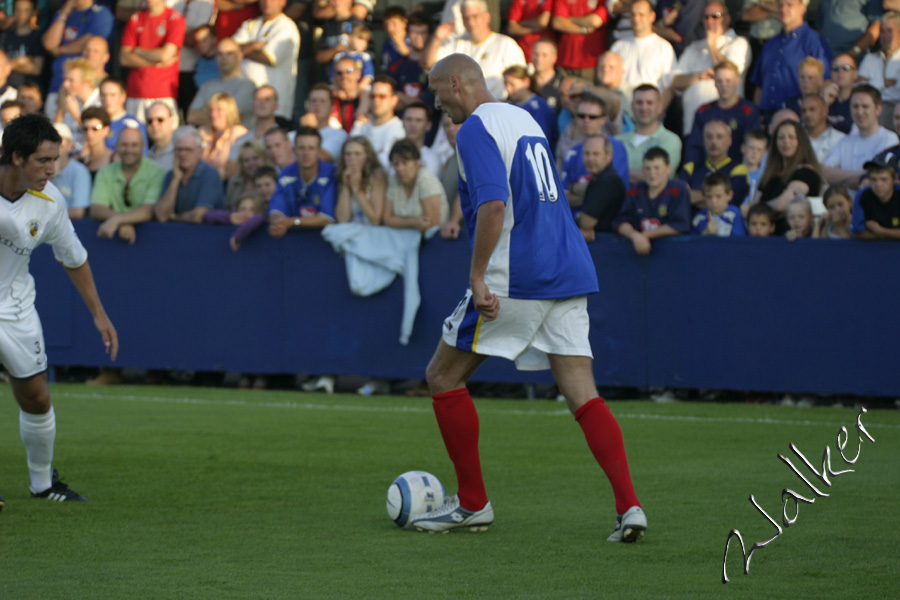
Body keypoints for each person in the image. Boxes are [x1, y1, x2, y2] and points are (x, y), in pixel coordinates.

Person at [412, 54, 645, 541]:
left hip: (519, 274)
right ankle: (630, 507)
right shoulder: (524, 118)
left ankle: (473, 504)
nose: (436, 103)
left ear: (458, 83)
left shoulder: (476, 128)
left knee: (441, 375)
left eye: (438, 91)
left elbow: (495, 205)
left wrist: (478, 277)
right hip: (568, 267)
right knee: (582, 392)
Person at [0, 113, 118, 506]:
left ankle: (43, 486)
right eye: (43, 160)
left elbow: (73, 258)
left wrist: (99, 314)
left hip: (15, 307)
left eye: (56, 159)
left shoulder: (51, 201)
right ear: (16, 157)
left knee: (36, 397)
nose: (52, 169)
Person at [666, 2, 750, 137]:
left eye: (715, 16)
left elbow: (730, 73)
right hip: (692, 127)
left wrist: (711, 45)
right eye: (706, 17)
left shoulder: (738, 43)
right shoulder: (693, 47)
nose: (710, 20)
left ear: (727, 19)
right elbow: (675, 80)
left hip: (724, 129)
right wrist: (698, 76)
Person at [424, 0, 526, 100]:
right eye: (466, 18)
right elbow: (429, 64)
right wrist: (437, 38)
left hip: (495, 107)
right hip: (463, 111)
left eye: (475, 16)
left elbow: (520, 82)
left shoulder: (506, 44)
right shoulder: (457, 43)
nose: (471, 22)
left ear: (487, 17)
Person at [751, 0, 831, 118]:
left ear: (802, 8)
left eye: (789, 5)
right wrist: (757, 117)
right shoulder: (770, 45)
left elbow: (826, 82)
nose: (783, 9)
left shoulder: (815, 42)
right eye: (781, 5)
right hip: (767, 118)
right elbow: (759, 86)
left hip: (799, 117)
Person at [90, 126, 166, 244]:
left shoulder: (157, 172)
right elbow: (96, 208)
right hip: (112, 241)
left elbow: (150, 210)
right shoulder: (105, 172)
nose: (129, 150)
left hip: (151, 240)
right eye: (124, 145)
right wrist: (123, 223)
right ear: (116, 147)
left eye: (134, 145)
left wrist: (117, 220)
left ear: (143, 146)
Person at [41, 0, 114, 121]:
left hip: (85, 86)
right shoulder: (63, 12)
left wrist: (59, 50)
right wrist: (63, 14)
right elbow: (49, 43)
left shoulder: (100, 13)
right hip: (58, 85)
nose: (90, 54)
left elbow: (91, 40)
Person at [823, 84, 900, 194]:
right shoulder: (845, 141)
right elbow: (826, 173)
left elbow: (880, 179)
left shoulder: (889, 139)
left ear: (878, 109)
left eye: (865, 106)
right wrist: (863, 175)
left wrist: (841, 177)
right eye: (855, 106)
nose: (860, 112)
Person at [613, 146, 691, 255]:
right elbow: (620, 222)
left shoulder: (678, 189)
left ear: (669, 169)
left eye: (657, 168)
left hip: (674, 253)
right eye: (647, 168)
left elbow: (681, 224)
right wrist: (635, 236)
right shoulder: (635, 190)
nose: (652, 173)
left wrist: (645, 235)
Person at [232, 0, 301, 120]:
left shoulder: (286, 27)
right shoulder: (250, 24)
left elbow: (269, 58)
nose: (267, 2)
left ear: (283, 2)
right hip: (246, 105)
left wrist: (242, 50)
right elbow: (230, 49)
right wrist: (253, 46)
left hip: (275, 108)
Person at [683, 60, 760, 166]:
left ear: (738, 81)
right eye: (720, 81)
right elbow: (694, 148)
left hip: (739, 171)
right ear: (714, 82)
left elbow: (753, 147)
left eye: (728, 81)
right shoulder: (703, 111)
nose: (724, 85)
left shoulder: (749, 111)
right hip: (708, 172)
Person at [119, 0, 185, 122]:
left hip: (163, 93)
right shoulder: (136, 18)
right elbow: (124, 58)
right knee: (133, 138)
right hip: (136, 92)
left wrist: (138, 50)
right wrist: (156, 62)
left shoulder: (175, 19)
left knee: (165, 139)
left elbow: (165, 55)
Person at [268, 126, 338, 234]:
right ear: (294, 150)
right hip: (294, 239)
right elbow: (277, 208)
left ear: (319, 151)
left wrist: (293, 222)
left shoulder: (331, 174)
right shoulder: (286, 174)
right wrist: (278, 222)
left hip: (324, 240)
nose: (306, 153)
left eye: (311, 148)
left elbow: (327, 218)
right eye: (301, 148)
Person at [752, 119, 823, 223]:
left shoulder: (807, 173)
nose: (786, 142)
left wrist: (758, 209)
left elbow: (783, 204)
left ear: (801, 141)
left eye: (791, 137)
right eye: (781, 138)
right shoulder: (770, 174)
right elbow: (755, 201)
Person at [609, 0, 676, 107]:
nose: (636, 18)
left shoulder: (664, 47)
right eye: (633, 14)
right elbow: (609, 82)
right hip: (622, 113)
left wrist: (658, 112)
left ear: (652, 16)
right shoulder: (618, 47)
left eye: (641, 14)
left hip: (650, 112)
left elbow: (670, 87)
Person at [154, 125, 224, 223]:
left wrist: (173, 218)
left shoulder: (210, 174)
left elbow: (198, 216)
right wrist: (175, 180)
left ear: (200, 152)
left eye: (188, 150)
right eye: (179, 150)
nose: (182, 154)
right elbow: (161, 215)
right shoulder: (171, 175)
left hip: (206, 235)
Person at [187, 37, 258, 128]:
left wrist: (206, 110)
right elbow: (191, 117)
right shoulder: (207, 86)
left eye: (229, 54)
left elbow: (233, 117)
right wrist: (221, 115)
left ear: (240, 56)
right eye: (220, 54)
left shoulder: (247, 85)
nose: (224, 58)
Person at [616, 84, 681, 183]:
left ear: (659, 107)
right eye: (639, 103)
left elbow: (660, 177)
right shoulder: (617, 141)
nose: (644, 108)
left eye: (649, 103)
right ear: (632, 106)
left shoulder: (671, 140)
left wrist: (616, 173)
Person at [678, 119, 749, 209]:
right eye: (709, 137)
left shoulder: (739, 169)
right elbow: (679, 198)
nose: (714, 141)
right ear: (703, 139)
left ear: (730, 140)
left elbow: (731, 202)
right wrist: (719, 198)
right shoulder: (690, 168)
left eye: (719, 137)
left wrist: (693, 196)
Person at [383, 138, 447, 231]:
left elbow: (431, 223)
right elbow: (387, 219)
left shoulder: (426, 179)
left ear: (417, 162)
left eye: (405, 162)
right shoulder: (395, 179)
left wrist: (400, 222)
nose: (400, 168)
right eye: (396, 164)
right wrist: (414, 222)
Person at [577, 133, 626, 240]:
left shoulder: (608, 180)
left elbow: (587, 222)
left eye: (596, 154)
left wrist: (580, 221)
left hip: (610, 248)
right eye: (587, 153)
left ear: (609, 156)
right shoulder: (597, 179)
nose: (590, 159)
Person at [350, 75, 405, 170]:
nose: (376, 100)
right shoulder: (361, 125)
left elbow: (385, 165)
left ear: (394, 100)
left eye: (382, 96)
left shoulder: (399, 129)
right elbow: (348, 154)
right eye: (373, 96)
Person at [859, 12, 900, 130]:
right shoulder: (870, 59)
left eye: (889, 31)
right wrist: (885, 83)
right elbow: (860, 87)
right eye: (882, 31)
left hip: (893, 109)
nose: (884, 35)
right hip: (870, 109)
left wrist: (872, 82)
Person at [550, 0, 608, 81]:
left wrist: (568, 19)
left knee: (588, 92)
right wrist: (584, 30)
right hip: (565, 60)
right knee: (562, 92)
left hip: (590, 63)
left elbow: (595, 21)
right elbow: (557, 23)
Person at [334, 135, 387, 225]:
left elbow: (375, 220)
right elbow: (342, 219)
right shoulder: (342, 174)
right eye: (348, 154)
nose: (352, 159)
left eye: (357, 154)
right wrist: (346, 186)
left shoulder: (377, 176)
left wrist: (356, 189)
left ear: (367, 156)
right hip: (352, 229)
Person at [503, 64, 557, 150]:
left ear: (526, 82)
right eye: (506, 84)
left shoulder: (540, 108)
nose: (508, 89)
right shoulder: (508, 105)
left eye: (512, 84)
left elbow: (541, 139)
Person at [851, 150, 900, 239]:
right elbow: (856, 232)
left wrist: (881, 231)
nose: (878, 184)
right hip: (871, 250)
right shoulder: (863, 196)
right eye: (874, 179)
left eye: (884, 179)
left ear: (894, 179)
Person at [199, 92, 248, 179]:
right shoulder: (204, 132)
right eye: (211, 110)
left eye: (219, 110)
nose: (213, 114)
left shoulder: (237, 132)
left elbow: (234, 169)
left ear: (229, 112)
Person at [50, 122, 91, 219]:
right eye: (51, 144)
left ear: (70, 146)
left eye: (60, 144)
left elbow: (78, 212)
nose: (56, 149)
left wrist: (44, 215)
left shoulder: (79, 171)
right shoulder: (38, 168)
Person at [299, 82, 348, 162]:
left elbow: (321, 158)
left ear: (332, 107)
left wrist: (309, 130)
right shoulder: (291, 135)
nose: (317, 104)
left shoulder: (339, 135)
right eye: (313, 101)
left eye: (322, 101)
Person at [1, 0, 43, 89]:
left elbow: (36, 69)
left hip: (29, 90)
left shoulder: (37, 37)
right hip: (7, 89)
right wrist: (22, 61)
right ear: (13, 11)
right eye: (18, 9)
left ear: (33, 12)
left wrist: (9, 65)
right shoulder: (5, 36)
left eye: (26, 10)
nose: (21, 14)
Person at [99, 77, 147, 152]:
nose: (107, 99)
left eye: (112, 95)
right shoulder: (96, 124)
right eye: (103, 95)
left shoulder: (133, 125)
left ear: (123, 97)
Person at [691, 172, 746, 236]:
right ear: (704, 197)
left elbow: (739, 241)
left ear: (729, 195)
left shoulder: (734, 214)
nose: (714, 201)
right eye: (709, 197)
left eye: (718, 196)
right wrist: (705, 233)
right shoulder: (700, 217)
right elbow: (692, 242)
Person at [226, 140, 272, 210]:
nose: (251, 164)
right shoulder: (234, 181)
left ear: (264, 159)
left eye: (255, 158)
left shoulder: (274, 179)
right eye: (246, 160)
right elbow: (228, 208)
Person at [801, 93, 845, 165]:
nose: (807, 114)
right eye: (803, 111)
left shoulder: (840, 140)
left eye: (812, 109)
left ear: (825, 111)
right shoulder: (796, 139)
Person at [400, 100, 441, 176]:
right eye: (409, 119)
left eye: (418, 120)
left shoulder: (433, 159)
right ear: (402, 123)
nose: (413, 124)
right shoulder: (392, 154)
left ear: (428, 125)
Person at [507, 0, 553, 65]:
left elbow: (542, 22)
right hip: (524, 54)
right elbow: (511, 28)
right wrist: (534, 29)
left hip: (544, 56)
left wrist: (521, 23)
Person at [823, 54, 858, 133]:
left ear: (856, 74)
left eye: (846, 68)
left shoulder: (861, 99)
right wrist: (824, 104)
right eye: (835, 69)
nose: (840, 72)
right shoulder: (825, 97)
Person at [77, 105, 112, 178]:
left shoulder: (114, 159)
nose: (89, 133)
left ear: (106, 130)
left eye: (95, 128)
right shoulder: (77, 158)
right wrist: (81, 160)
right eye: (85, 128)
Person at [144, 101, 176, 171]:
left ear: (172, 120)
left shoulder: (181, 153)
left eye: (160, 120)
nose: (154, 124)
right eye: (150, 121)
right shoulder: (146, 158)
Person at [741, 129, 767, 205]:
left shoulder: (764, 176)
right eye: (751, 148)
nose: (755, 152)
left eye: (759, 150)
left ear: (764, 153)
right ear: (743, 148)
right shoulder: (734, 172)